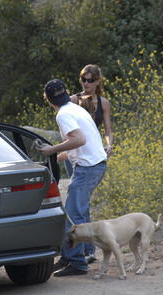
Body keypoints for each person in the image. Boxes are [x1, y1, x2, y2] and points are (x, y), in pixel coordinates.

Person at [37, 79, 107, 276]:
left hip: (88, 169)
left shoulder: (63, 115)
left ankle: (77, 263)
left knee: (73, 215)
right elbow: (81, 144)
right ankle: (74, 256)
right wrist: (58, 157)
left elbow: (79, 139)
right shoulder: (76, 109)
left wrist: (52, 149)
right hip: (96, 164)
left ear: (48, 99)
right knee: (79, 212)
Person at [60, 64, 113, 263]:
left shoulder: (104, 102)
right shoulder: (73, 100)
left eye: (91, 80)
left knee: (82, 204)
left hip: (92, 152)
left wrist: (109, 145)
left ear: (98, 81)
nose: (87, 83)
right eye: (84, 79)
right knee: (79, 205)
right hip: (76, 153)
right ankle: (85, 250)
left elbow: (108, 130)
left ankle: (86, 251)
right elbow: (68, 132)